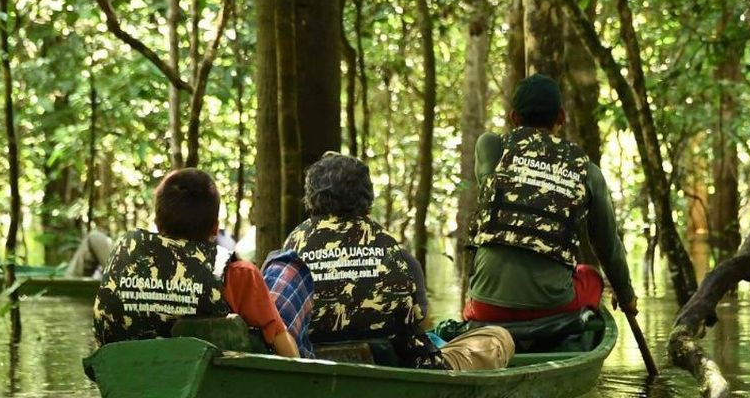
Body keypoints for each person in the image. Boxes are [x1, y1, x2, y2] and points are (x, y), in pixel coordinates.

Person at [265, 153, 513, 371]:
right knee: (498, 337)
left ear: (310, 198)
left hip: (312, 372)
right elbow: (414, 331)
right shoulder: (393, 251)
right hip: (399, 369)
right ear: (367, 200)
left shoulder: (290, 249)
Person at [464, 73, 637, 323]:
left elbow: (491, 188)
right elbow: (607, 245)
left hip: (485, 306)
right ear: (561, 117)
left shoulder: (492, 147)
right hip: (552, 306)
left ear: (513, 117)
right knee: (590, 276)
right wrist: (626, 294)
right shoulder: (587, 171)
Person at [93, 168, 299, 358]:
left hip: (127, 372)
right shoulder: (239, 273)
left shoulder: (123, 256)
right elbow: (284, 347)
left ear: (157, 224)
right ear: (215, 228)